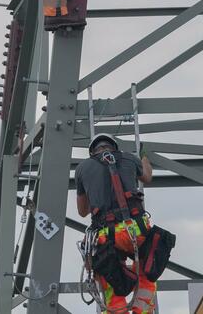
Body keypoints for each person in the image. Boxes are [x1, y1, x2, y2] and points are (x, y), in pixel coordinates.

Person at [75, 133, 156, 313]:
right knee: (145, 274)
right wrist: (145, 158)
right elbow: (147, 177)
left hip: (106, 237)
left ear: (92, 152)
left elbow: (82, 211)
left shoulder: (82, 168)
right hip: (138, 230)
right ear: (114, 147)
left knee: (111, 286)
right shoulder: (129, 158)